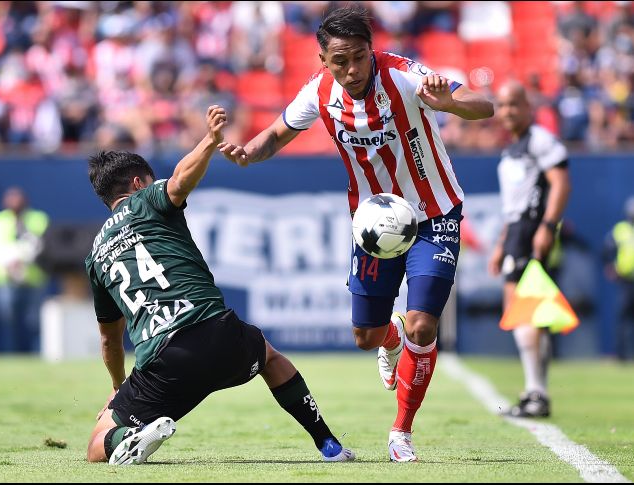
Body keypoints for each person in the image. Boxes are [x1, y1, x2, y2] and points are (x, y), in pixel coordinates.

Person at [218, 5, 493, 462]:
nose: (351, 69)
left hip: (434, 213)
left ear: (372, 51)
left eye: (359, 57)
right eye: (340, 60)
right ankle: (392, 337)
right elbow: (276, 134)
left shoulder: (405, 75)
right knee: (365, 336)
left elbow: (486, 105)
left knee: (424, 324)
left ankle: (402, 432)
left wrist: (450, 104)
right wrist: (247, 152)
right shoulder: (319, 92)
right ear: (323, 61)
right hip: (373, 228)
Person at [84, 105, 355, 465]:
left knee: (97, 445)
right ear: (138, 183)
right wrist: (208, 142)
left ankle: (132, 435)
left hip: (164, 363)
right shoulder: (146, 201)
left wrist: (119, 387)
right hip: (219, 336)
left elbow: (109, 340)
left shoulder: (96, 256)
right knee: (270, 356)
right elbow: (179, 180)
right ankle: (328, 444)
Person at [489, 81, 572, 417]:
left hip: (531, 230)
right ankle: (535, 391)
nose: (507, 111)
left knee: (525, 310)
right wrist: (500, 243)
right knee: (528, 311)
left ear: (528, 107)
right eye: (503, 105)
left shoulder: (540, 141)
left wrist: (548, 226)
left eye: (514, 104)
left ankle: (536, 393)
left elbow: (561, 182)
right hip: (516, 231)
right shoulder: (512, 148)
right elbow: (513, 203)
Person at [0, 187, 49, 353]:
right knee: (8, 324)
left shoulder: (38, 219)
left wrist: (25, 257)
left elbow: (42, 245)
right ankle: (9, 357)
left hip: (33, 280)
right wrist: (9, 262)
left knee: (35, 324)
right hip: (5, 280)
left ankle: (38, 356)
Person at [604, 196, 634, 361]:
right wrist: (610, 265)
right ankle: (621, 355)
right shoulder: (621, 230)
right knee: (623, 317)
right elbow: (607, 249)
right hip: (626, 280)